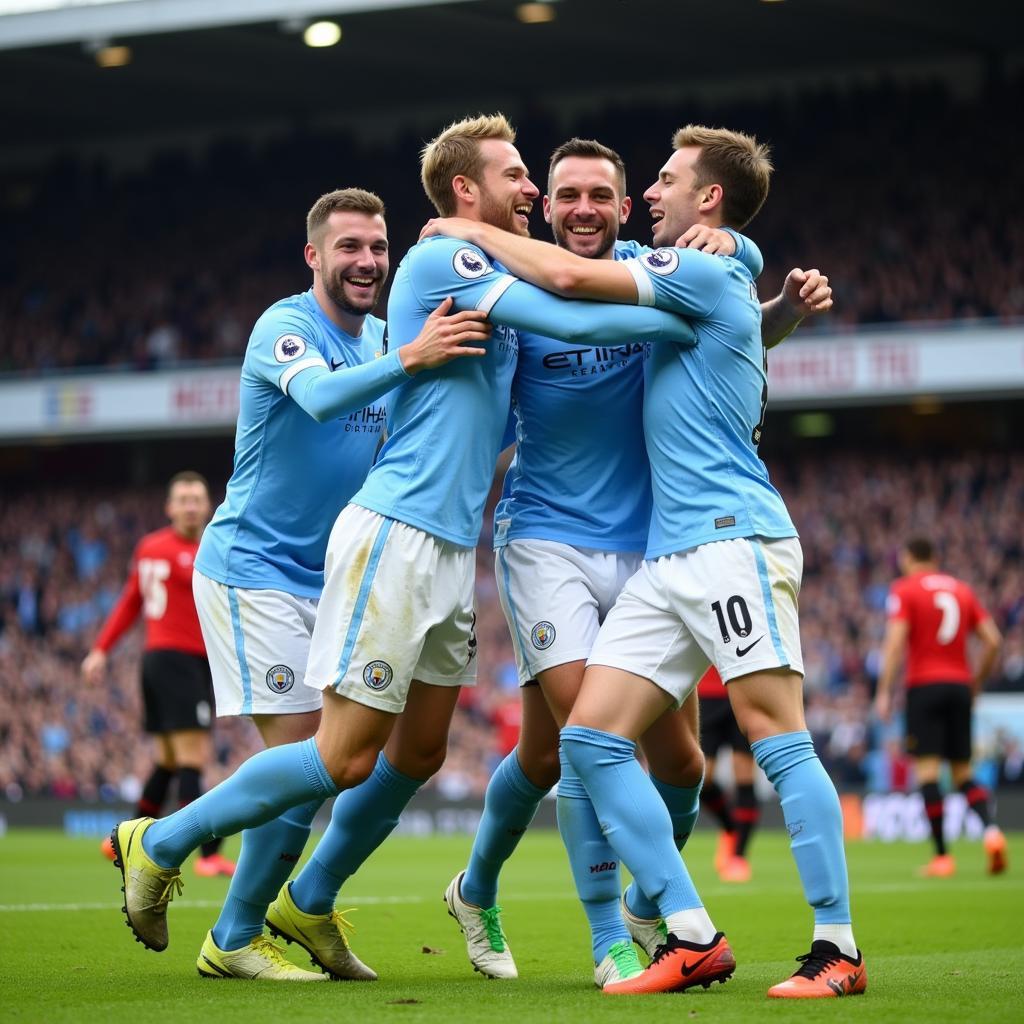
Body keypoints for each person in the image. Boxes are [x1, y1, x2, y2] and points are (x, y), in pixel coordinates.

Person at [110, 113, 699, 974]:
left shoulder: (478, 286)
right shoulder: (443, 260)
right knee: (339, 755)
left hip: (450, 548)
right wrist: (702, 313)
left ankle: (304, 908)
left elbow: (490, 416)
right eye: (517, 175)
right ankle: (162, 841)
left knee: (418, 752)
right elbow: (575, 314)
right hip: (392, 539)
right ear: (466, 191)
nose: (534, 189)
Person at [424, 123, 864, 998]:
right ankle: (658, 932)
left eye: (660, 182)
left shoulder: (688, 266)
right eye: (567, 195)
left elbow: (578, 280)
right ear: (545, 206)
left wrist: (467, 227)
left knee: (752, 743)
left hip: (727, 536)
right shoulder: (688, 270)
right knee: (585, 739)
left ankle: (837, 950)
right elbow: (731, 323)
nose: (651, 195)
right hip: (613, 544)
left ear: (685, 202)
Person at [125, 187, 492, 982]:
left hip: (333, 575)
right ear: (314, 256)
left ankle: (271, 912)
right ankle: (188, 882)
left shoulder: (391, 337)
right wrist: (412, 357)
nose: (366, 262)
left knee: (358, 761)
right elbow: (322, 401)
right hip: (253, 571)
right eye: (350, 247)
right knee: (311, 759)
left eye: (377, 248)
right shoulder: (285, 327)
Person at [83, 471, 233, 878]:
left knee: (168, 761)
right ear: (170, 507)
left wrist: (100, 651)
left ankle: (120, 843)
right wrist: (100, 648)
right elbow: (131, 601)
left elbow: (132, 599)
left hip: (167, 662)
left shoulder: (156, 545)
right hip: (177, 661)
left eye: (196, 499)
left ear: (208, 505)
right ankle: (204, 855)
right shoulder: (198, 548)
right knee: (194, 759)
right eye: (182, 499)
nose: (189, 506)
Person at [874, 536, 1006, 877]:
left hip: (925, 687)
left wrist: (884, 690)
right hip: (960, 686)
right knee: (962, 773)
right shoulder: (962, 590)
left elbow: (895, 642)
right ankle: (992, 833)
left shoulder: (905, 589)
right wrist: (975, 681)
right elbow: (993, 640)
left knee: (929, 773)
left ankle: (942, 857)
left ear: (908, 557)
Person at [697, 665, 760, 883]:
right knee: (701, 778)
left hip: (741, 687)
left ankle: (738, 856)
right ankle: (731, 828)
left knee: (744, 772)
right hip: (705, 692)